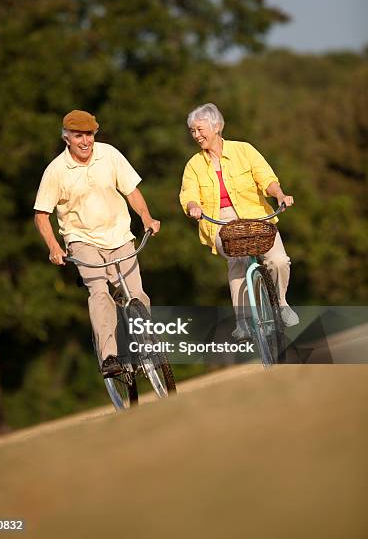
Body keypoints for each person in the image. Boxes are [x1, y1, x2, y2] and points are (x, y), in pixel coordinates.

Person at [34, 110, 160, 375]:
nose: (85, 141)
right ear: (66, 137)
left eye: (89, 134)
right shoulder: (56, 170)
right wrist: (54, 247)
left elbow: (131, 191)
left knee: (136, 294)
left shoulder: (109, 154)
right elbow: (41, 215)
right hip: (82, 240)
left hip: (119, 234)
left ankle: (147, 345)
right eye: (78, 135)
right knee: (100, 293)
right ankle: (110, 358)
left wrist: (147, 218)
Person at [179, 103, 299, 339]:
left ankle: (282, 303)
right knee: (239, 260)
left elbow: (266, 178)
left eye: (200, 129)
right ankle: (243, 321)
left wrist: (280, 195)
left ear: (216, 127)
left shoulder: (244, 150)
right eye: (192, 131)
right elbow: (188, 194)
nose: (196, 135)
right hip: (220, 221)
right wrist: (193, 206)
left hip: (255, 216)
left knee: (279, 260)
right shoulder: (194, 164)